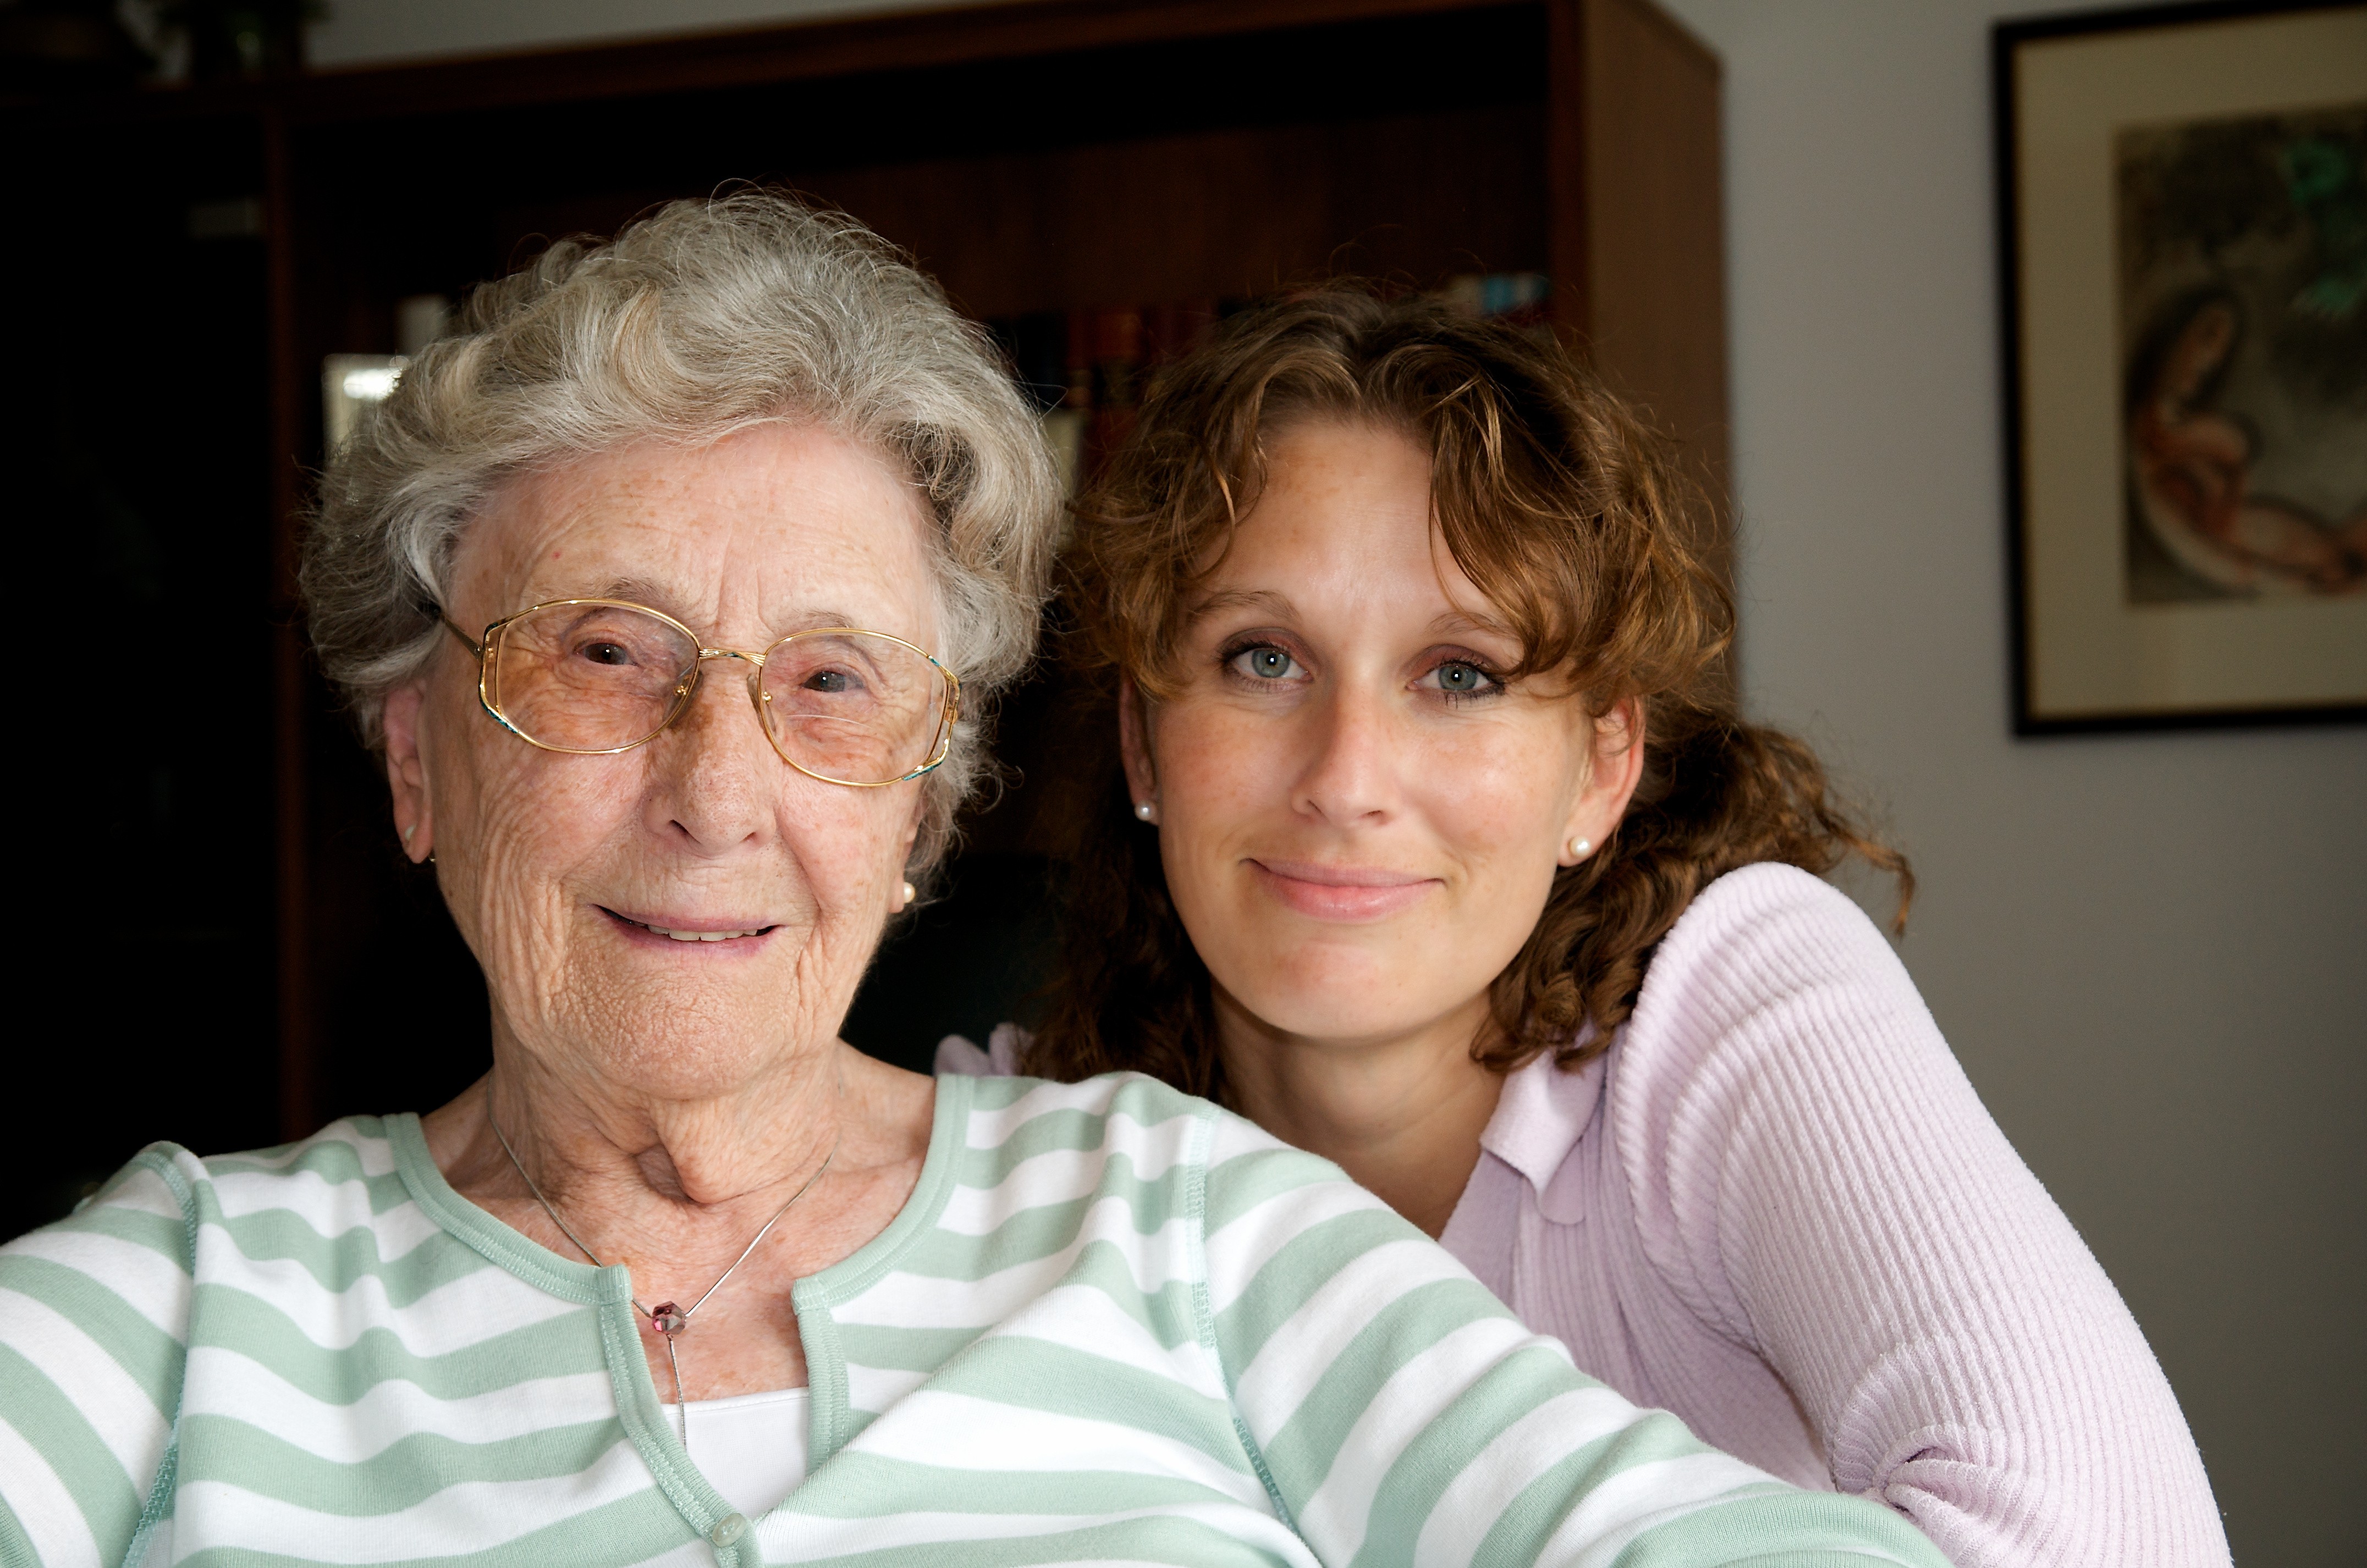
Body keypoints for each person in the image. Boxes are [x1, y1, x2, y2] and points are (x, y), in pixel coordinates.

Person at [0, 197, 1950, 1568]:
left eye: (832, 686)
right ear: (416, 755)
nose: (717, 789)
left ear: (927, 807)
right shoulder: (187, 1306)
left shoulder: (1186, 1227)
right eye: (605, 653)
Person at [959, 287, 2231, 1567]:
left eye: (1460, 674)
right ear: (1140, 739)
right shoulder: (1023, 1155)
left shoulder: (1729, 1006)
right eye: (1261, 658)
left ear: (1600, 770)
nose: (1346, 777)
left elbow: (2115, 1540)